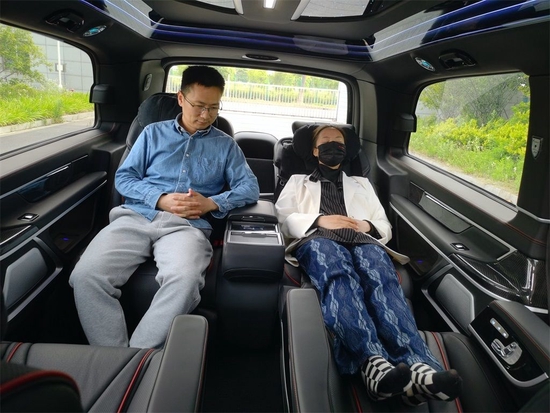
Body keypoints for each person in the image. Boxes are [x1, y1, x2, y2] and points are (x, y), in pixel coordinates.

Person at [70, 66, 259, 349]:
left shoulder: (226, 145)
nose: (206, 115)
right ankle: (113, 355)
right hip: (136, 218)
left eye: (213, 107)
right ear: (181, 98)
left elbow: (250, 187)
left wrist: (212, 203)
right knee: (85, 276)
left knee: (184, 281)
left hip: (187, 227)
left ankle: (138, 356)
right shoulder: (152, 134)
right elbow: (124, 178)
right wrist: (159, 198)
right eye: (199, 105)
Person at [275, 124, 462, 405]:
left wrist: (367, 225)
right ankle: (370, 361)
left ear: (345, 149)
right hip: (318, 238)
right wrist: (319, 220)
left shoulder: (361, 183)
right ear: (314, 150)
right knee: (339, 275)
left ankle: (419, 366)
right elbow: (283, 216)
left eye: (338, 141)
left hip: (362, 240)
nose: (332, 144)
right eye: (325, 140)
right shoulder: (297, 181)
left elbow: (382, 223)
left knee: (383, 280)